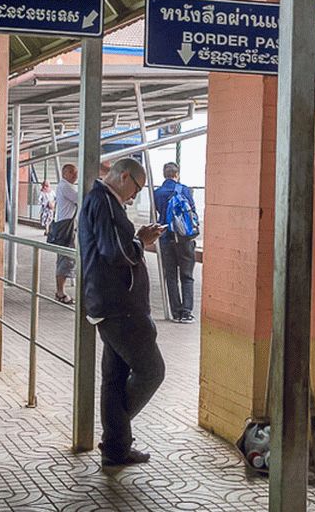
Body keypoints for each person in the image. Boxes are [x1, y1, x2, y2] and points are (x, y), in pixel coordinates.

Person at [78, 158, 166, 467]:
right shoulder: (104, 202)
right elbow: (116, 252)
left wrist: (137, 237)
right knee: (152, 370)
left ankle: (116, 448)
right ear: (124, 176)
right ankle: (117, 433)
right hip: (120, 309)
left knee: (114, 378)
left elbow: (113, 244)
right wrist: (141, 241)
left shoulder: (101, 202)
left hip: (110, 305)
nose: (134, 196)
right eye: (136, 188)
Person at [153, 162, 198, 323]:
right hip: (184, 239)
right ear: (177, 174)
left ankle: (176, 312)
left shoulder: (157, 193)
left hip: (166, 238)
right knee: (187, 276)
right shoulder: (184, 190)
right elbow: (192, 211)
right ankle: (187, 312)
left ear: (164, 174)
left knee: (171, 276)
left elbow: (158, 212)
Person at [53, 164, 78, 304]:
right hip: (66, 227)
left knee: (64, 258)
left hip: (65, 226)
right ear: (64, 174)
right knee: (66, 258)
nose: (75, 175)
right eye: (71, 172)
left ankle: (60, 290)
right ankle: (60, 292)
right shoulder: (65, 186)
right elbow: (79, 198)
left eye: (76, 173)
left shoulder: (65, 186)